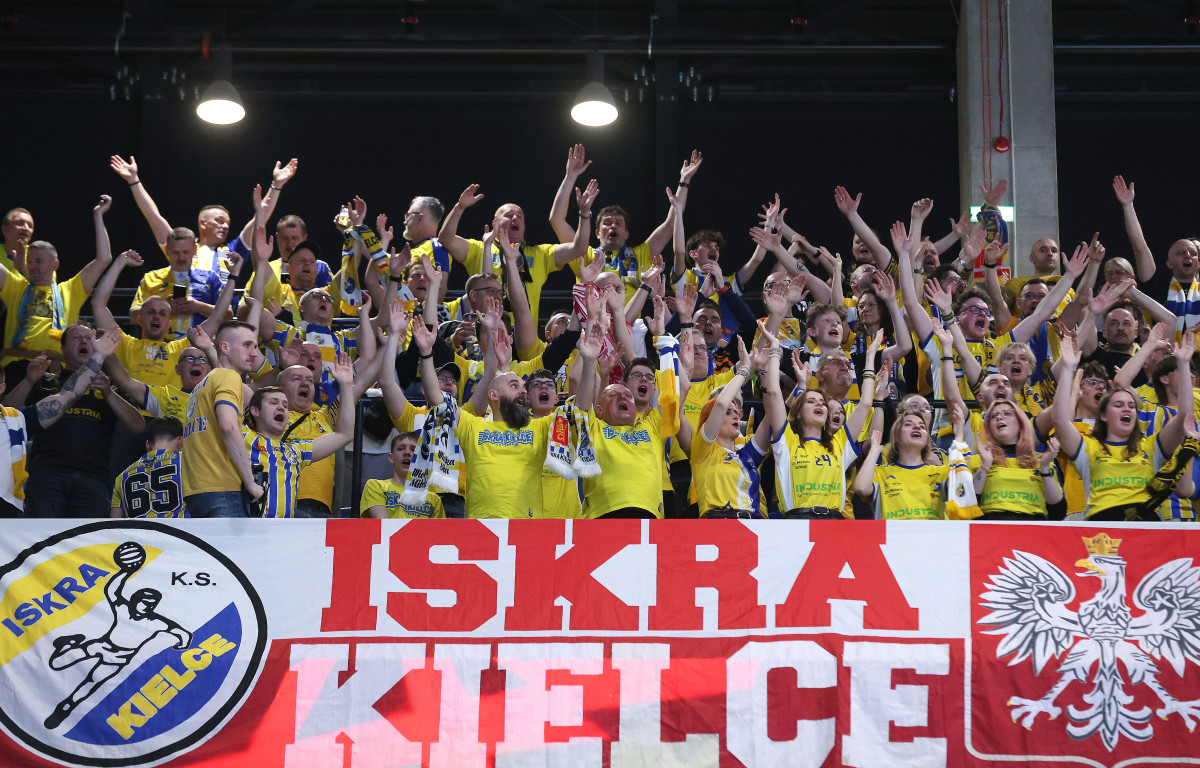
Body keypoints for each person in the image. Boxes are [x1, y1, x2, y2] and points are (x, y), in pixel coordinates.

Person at [42, 542, 191, 730]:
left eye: (152, 604)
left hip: (119, 658)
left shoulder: (156, 622)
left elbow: (181, 632)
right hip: (101, 645)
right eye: (145, 602)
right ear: (135, 600)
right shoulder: (123, 608)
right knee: (56, 664)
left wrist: (183, 643)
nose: (148, 607)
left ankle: (66, 707)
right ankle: (68, 644)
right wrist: (125, 571)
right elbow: (111, 590)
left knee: (92, 682)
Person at [1052, 332, 1195, 520]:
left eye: (1131, 406)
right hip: (1103, 527)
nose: (1126, 408)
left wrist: (1184, 364)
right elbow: (1060, 421)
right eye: (1118, 405)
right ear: (1103, 415)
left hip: (1145, 527)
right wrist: (1067, 368)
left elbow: (1185, 417)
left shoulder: (1150, 447)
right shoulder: (1089, 447)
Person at [10, 324, 144, 518]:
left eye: (89, 338)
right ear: (62, 350)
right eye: (76, 337)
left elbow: (138, 426)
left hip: (94, 478)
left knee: (87, 537)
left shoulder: (109, 386)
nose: (83, 341)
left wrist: (109, 393)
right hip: (47, 474)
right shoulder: (46, 381)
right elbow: (7, 417)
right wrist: (28, 381)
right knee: (44, 534)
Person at [110, 153, 297, 278]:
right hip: (182, 318)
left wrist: (276, 185)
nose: (225, 226)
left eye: (227, 223)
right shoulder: (183, 248)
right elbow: (153, 216)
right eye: (219, 221)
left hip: (222, 321)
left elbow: (260, 217)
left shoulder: (233, 251)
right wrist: (133, 180)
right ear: (203, 223)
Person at [437, 178, 596, 323]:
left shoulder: (540, 254)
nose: (515, 218)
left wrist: (584, 214)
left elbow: (579, 248)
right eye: (509, 215)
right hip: (487, 333)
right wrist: (459, 208)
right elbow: (446, 239)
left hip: (526, 339)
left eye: (520, 216)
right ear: (495, 223)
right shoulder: (480, 249)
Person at [0, 196, 114, 382]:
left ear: (55, 265)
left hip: (57, 371)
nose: (32, 266)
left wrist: (99, 215)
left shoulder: (70, 290)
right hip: (17, 366)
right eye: (29, 261)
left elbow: (104, 259)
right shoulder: (16, 287)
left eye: (38, 261)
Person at [773, 330, 881, 518]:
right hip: (797, 521)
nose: (820, 406)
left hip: (834, 521)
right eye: (812, 402)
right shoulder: (789, 441)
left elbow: (865, 403)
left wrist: (870, 357)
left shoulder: (839, 443)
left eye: (823, 403)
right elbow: (774, 395)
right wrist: (775, 354)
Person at [242, 356, 354, 518]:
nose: (281, 408)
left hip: (294, 524)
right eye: (273, 403)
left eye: (285, 405)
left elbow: (345, 434)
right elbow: (237, 391)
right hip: (252, 526)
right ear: (255, 410)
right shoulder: (245, 437)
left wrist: (346, 385)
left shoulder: (295, 452)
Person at [692, 327, 786, 518]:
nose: (736, 416)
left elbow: (772, 415)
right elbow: (720, 404)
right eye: (729, 412)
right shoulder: (703, 448)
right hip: (719, 521)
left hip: (754, 525)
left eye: (737, 412)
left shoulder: (747, 453)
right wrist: (744, 369)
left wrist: (763, 370)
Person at [181, 320, 264, 517]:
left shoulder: (201, 386)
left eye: (255, 347)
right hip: (224, 488)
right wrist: (250, 482)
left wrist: (209, 349)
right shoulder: (228, 377)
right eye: (247, 345)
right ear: (225, 347)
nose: (254, 353)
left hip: (196, 492)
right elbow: (228, 427)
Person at [960, 401, 1066, 520]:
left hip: (1032, 527)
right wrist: (985, 465)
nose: (999, 417)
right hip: (990, 527)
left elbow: (1058, 513)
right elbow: (965, 506)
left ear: (1021, 423)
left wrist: (1045, 468)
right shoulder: (977, 460)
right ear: (989, 428)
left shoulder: (1043, 461)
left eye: (1007, 413)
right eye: (993, 416)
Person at [127, 227, 226, 340]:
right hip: (159, 346)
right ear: (167, 250)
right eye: (176, 253)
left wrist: (198, 307)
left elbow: (228, 315)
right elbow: (133, 316)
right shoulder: (151, 278)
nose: (181, 258)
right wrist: (164, 308)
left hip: (198, 346)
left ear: (195, 249)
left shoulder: (211, 277)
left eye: (186, 252)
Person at [853, 411, 947, 520]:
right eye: (908, 424)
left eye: (922, 426)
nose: (917, 427)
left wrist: (958, 437)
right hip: (892, 531)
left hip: (931, 531)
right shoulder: (881, 472)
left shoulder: (941, 471)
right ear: (896, 436)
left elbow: (961, 491)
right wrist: (874, 450)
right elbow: (861, 488)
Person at [111, 416, 185, 518]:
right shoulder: (188, 464)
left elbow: (115, 522)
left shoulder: (122, 477)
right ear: (181, 441)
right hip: (178, 529)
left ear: (147, 445)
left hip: (137, 529)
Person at [360, 432, 446, 519]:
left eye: (414, 450)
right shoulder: (375, 486)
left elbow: (439, 528)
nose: (407, 452)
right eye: (401, 449)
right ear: (391, 458)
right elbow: (382, 523)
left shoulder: (434, 499)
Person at [1, 207, 34, 274]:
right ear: (4, 229)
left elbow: (49, 281)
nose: (26, 228)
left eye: (30, 226)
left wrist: (23, 270)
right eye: (19, 223)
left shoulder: (40, 255)